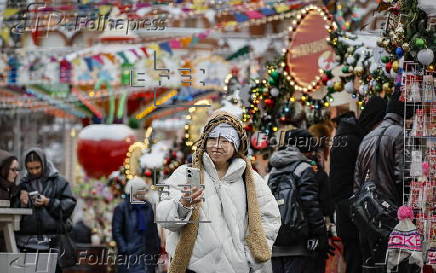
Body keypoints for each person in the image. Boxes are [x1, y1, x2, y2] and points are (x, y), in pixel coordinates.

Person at [156, 111, 281, 273]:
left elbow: (270, 217)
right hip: (192, 269)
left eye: (224, 140)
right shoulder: (186, 174)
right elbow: (164, 218)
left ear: (236, 145)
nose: (216, 145)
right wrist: (183, 204)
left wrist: (250, 256)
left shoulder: (250, 180)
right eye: (212, 139)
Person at [354, 88, 418, 273]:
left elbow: (357, 184)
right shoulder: (400, 133)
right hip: (393, 217)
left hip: (369, 218)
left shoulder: (367, 138)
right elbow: (405, 177)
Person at [330, 97, 387, 273]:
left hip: (349, 213)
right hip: (355, 214)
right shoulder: (354, 141)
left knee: (355, 260)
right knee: (357, 261)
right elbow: (347, 183)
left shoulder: (347, 137)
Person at [268, 129, 329, 273]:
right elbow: (310, 205)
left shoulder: (274, 170)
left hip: (276, 243)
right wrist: (321, 236)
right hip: (298, 244)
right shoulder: (303, 168)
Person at [13, 148, 76, 273]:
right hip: (26, 244)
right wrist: (22, 202)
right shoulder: (22, 184)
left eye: (37, 167)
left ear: (44, 164)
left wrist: (49, 202)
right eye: (30, 168)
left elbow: (69, 205)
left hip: (53, 244)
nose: (34, 171)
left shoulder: (59, 182)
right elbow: (15, 211)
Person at [112, 176, 160, 273]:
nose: (145, 192)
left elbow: (153, 231)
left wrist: (156, 249)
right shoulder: (122, 208)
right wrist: (125, 249)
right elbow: (116, 232)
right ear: (135, 191)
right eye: (143, 189)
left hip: (147, 255)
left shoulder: (148, 207)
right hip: (129, 256)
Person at [0, 149, 20, 251]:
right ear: (3, 169)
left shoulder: (12, 189)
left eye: (17, 170)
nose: (16, 173)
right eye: (13, 169)